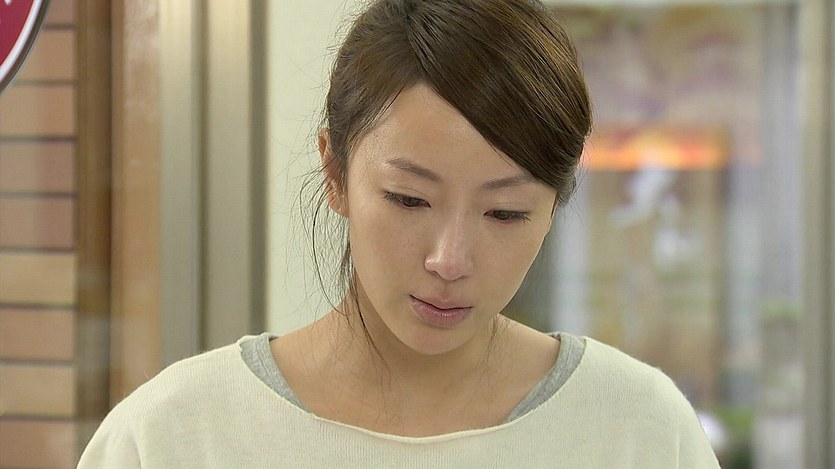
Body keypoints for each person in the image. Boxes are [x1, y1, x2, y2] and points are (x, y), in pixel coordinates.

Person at [78, 0, 720, 467]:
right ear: (335, 173)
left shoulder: (639, 430)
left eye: (505, 213)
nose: (450, 259)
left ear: (555, 204)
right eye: (409, 200)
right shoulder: (173, 437)